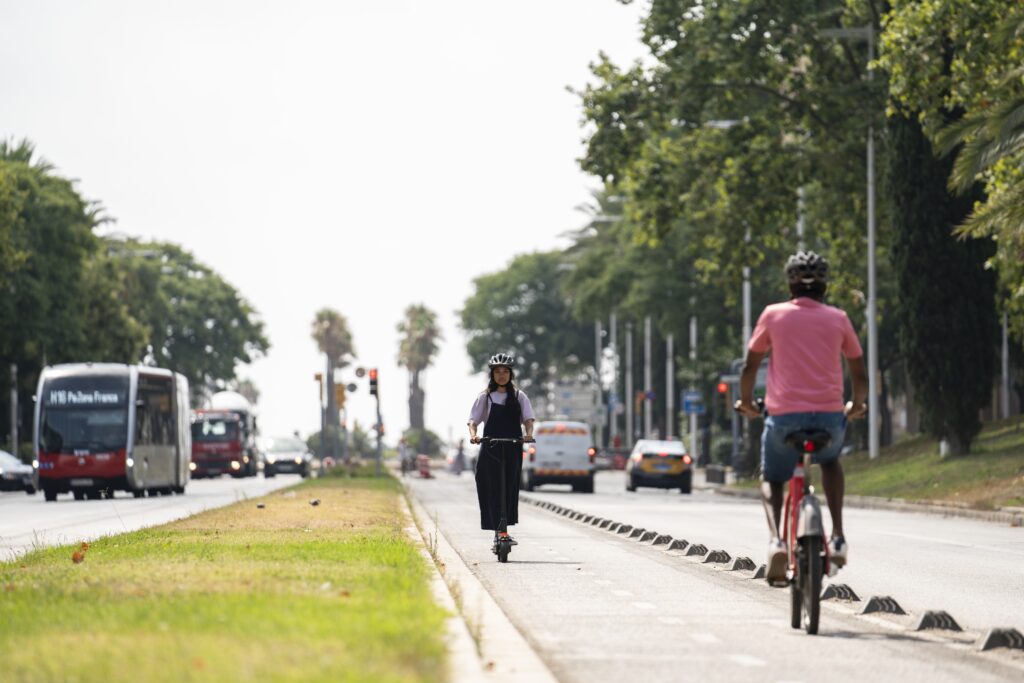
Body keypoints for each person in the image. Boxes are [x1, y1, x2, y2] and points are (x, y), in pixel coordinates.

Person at [734, 251, 868, 585]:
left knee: (772, 476)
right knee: (831, 460)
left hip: (783, 419)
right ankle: (837, 536)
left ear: (790, 283)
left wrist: (748, 402)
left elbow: (751, 365)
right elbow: (859, 375)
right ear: (825, 285)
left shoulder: (773, 315)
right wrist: (856, 407)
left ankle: (777, 541)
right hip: (828, 417)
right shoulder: (839, 318)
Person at [467, 353, 535, 550]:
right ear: (492, 374)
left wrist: (528, 434)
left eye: (505, 371)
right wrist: (473, 434)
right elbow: (473, 420)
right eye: (498, 372)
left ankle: (505, 528)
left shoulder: (519, 396)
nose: (502, 375)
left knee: (510, 486)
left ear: (511, 374)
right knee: (489, 485)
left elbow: (528, 419)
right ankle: (496, 528)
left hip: (513, 447)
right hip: (490, 447)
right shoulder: (485, 396)